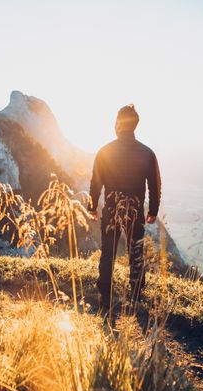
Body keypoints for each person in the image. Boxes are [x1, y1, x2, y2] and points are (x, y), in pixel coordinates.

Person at [88, 104, 161, 312]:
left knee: (108, 252)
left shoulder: (104, 151)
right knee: (135, 251)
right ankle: (136, 293)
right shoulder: (147, 153)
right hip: (135, 210)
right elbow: (154, 184)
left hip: (111, 209)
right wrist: (153, 211)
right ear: (135, 125)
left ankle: (105, 294)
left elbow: (96, 182)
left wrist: (92, 206)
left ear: (118, 123)